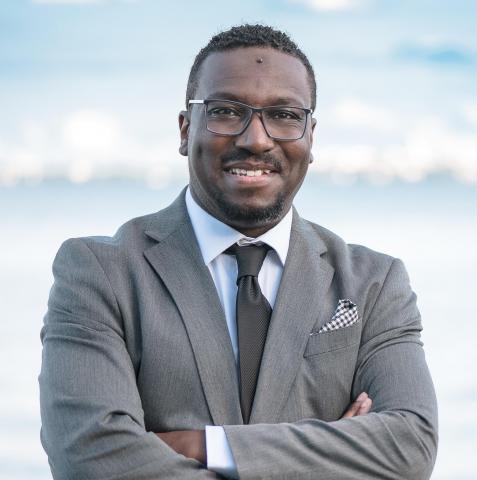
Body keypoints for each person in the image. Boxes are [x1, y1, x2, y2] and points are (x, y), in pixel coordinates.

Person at [39, 24, 438, 479]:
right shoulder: (99, 274)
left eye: (285, 115)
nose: (257, 139)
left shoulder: (374, 283)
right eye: (227, 112)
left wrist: (205, 444)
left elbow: (410, 446)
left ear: (310, 137)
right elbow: (90, 459)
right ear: (186, 130)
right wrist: (330, 457)